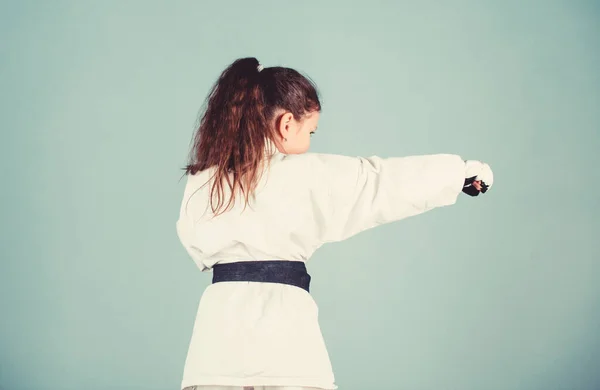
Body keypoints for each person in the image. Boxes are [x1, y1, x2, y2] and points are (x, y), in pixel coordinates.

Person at [176, 57, 494, 390]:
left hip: (215, 349)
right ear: (286, 124)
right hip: (285, 344)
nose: (310, 141)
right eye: (310, 131)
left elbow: (194, 243)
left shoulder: (203, 181)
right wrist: (458, 174)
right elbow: (380, 183)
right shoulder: (306, 175)